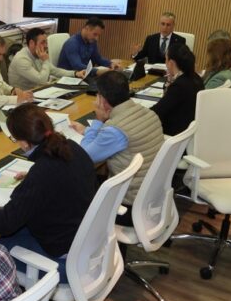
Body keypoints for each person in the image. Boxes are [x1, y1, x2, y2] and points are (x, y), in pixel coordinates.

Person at [0, 104, 96, 282]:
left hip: (64, 255)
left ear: (23, 142)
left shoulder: (42, 173)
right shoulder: (72, 147)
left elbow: (4, 223)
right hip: (87, 240)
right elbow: (62, 175)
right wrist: (33, 178)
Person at [70, 71, 163, 223]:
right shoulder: (148, 113)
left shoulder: (115, 130)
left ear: (102, 100)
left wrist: (98, 120)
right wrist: (87, 131)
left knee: (74, 191)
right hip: (154, 196)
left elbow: (85, 156)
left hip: (128, 206)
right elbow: (121, 136)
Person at [8, 27, 86, 90]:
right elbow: (41, 80)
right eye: (42, 42)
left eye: (46, 42)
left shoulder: (38, 53)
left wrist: (75, 73)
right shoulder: (21, 59)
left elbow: (54, 70)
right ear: (32, 43)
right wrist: (45, 61)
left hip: (37, 91)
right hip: (23, 97)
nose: (46, 46)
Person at [151, 44, 204, 136]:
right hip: (189, 130)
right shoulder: (196, 77)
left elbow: (157, 112)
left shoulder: (179, 86)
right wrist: (170, 81)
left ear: (171, 63)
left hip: (174, 133)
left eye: (166, 60)